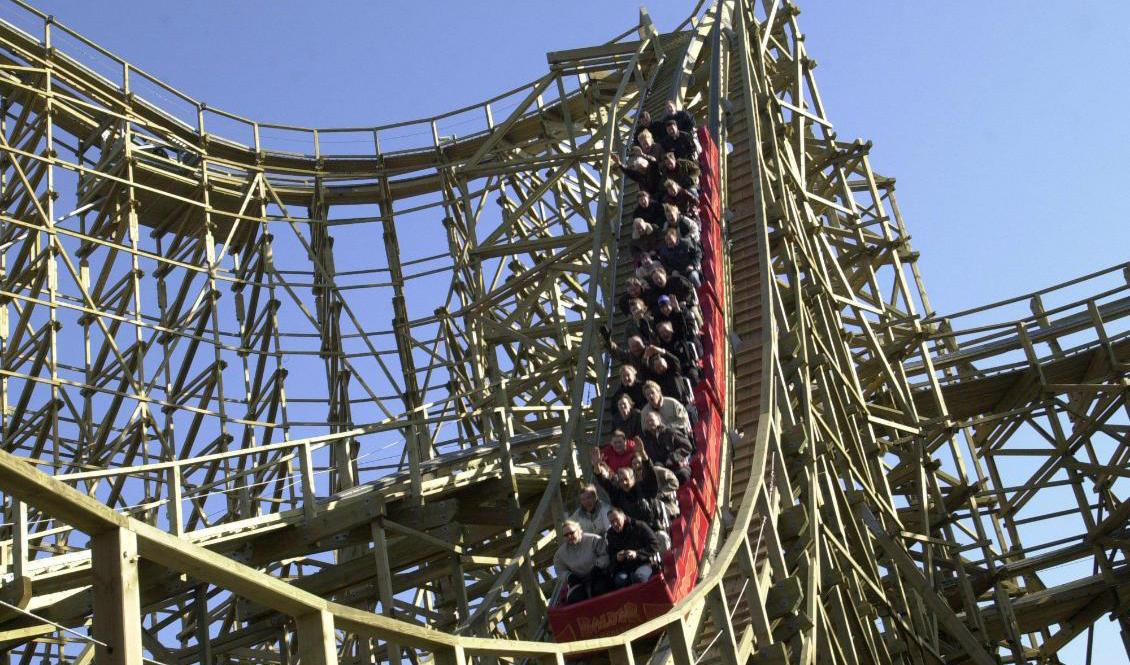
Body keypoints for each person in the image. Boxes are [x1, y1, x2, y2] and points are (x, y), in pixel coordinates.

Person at [593, 451, 667, 539]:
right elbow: (603, 481)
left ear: (632, 479)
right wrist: (596, 465)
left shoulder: (644, 488)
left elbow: (649, 474)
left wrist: (643, 454)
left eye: (626, 479)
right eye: (620, 481)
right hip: (635, 535)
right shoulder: (617, 495)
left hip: (654, 530)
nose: (624, 483)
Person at [553, 519, 610, 603]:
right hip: (578, 581)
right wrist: (569, 577)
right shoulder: (560, 554)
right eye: (566, 535)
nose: (569, 536)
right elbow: (560, 570)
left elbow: (605, 554)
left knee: (600, 590)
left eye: (572, 533)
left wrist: (597, 567)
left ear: (579, 531)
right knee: (575, 598)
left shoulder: (593, 539)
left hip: (598, 574)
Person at [605, 509, 660, 588]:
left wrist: (637, 554)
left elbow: (655, 544)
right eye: (611, 522)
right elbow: (611, 558)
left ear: (623, 517)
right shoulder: (610, 535)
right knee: (619, 580)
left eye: (617, 519)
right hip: (625, 568)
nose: (615, 524)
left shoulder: (639, 526)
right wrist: (617, 558)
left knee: (639, 577)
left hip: (645, 563)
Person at [640, 411, 693, 484]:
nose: (649, 423)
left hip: (678, 466)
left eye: (651, 420)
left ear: (659, 420)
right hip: (661, 471)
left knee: (682, 475)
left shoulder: (670, 432)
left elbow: (687, 446)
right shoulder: (647, 441)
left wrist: (673, 458)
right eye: (647, 422)